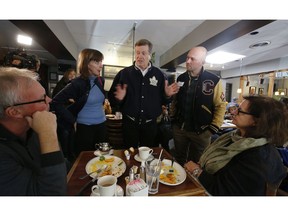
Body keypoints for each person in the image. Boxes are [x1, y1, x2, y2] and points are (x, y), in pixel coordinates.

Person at [184, 95, 288, 195]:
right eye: (236, 108)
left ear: (257, 121)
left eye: (240, 111)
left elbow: (223, 192)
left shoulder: (257, 157)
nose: (233, 112)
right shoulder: (234, 137)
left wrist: (196, 171)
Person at [0, 67, 67, 195]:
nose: (50, 100)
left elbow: (62, 165)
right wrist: (48, 134)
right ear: (14, 112)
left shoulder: (32, 127)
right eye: (42, 98)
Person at [108, 39, 179, 149]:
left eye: (143, 53)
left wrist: (167, 95)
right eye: (137, 52)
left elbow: (165, 101)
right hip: (129, 124)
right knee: (129, 154)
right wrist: (118, 99)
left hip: (150, 125)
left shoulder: (160, 75)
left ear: (150, 55)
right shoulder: (123, 74)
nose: (139, 56)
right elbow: (112, 99)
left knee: (147, 156)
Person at [170, 46, 226, 166]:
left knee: (199, 162)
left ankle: (195, 184)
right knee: (179, 158)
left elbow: (221, 106)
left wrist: (212, 128)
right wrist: (172, 118)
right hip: (180, 129)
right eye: (187, 58)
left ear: (202, 62)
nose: (188, 61)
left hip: (202, 132)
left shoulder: (214, 80)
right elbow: (175, 100)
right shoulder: (181, 78)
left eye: (192, 59)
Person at [50, 49, 107, 156]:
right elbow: (55, 102)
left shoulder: (100, 80)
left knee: (101, 158)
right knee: (85, 160)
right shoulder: (77, 83)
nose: (101, 65)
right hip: (85, 128)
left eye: (101, 62)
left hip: (102, 125)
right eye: (96, 62)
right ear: (86, 63)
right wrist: (72, 120)